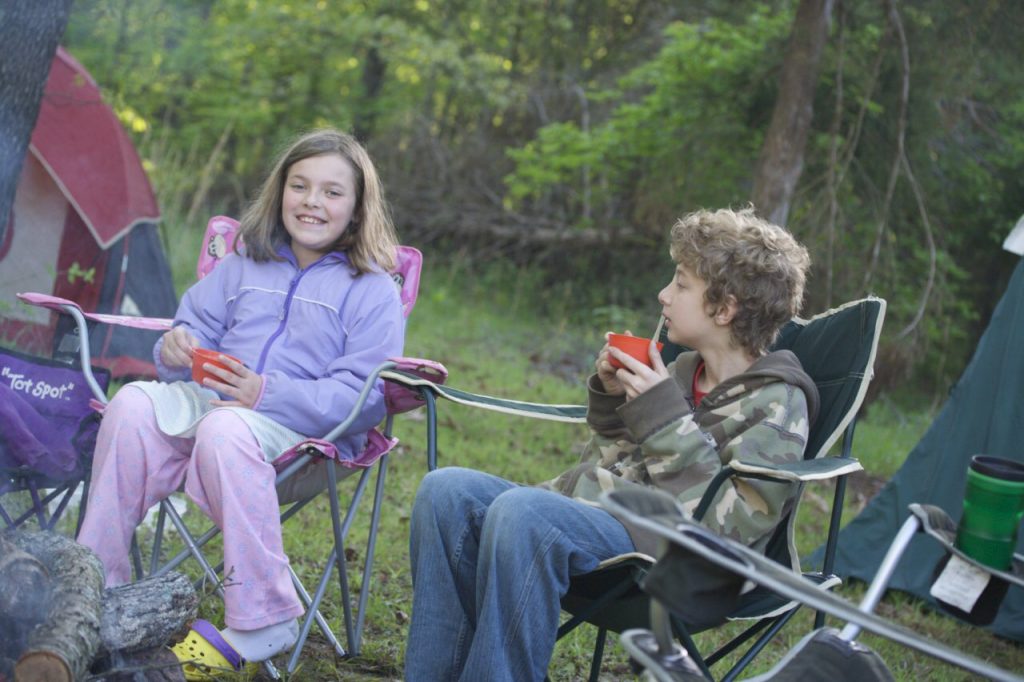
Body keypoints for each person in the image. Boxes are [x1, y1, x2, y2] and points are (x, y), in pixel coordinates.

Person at [404, 207, 819, 681]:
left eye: (681, 284)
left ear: (724, 309)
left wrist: (661, 414)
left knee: (524, 513)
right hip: (610, 520)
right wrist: (613, 399)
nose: (664, 295)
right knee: (445, 492)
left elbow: (730, 531)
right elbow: (613, 465)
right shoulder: (682, 373)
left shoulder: (778, 404)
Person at [76, 128, 405, 666]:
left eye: (331, 191)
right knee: (133, 402)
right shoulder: (244, 263)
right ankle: (96, 584)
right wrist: (178, 346)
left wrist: (263, 394)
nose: (312, 202)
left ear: (358, 205)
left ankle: (265, 615)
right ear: (280, 193)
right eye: (299, 186)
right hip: (213, 405)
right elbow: (193, 325)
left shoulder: (371, 289)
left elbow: (363, 398)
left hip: (301, 434)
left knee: (225, 427)